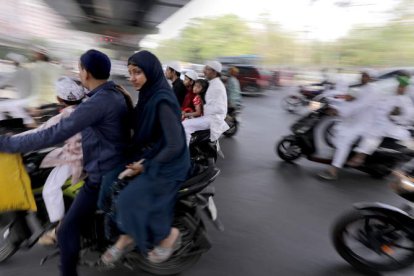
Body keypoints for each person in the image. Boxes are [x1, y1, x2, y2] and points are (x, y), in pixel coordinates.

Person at [0, 49, 132, 276]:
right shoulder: (109, 94)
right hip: (104, 164)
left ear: (86, 73)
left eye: (80, 68)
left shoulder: (96, 103)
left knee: (66, 228)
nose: (79, 72)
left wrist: (8, 144)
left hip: (100, 173)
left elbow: (52, 134)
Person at [100, 50, 191, 265]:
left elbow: (175, 145)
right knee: (107, 180)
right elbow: (138, 121)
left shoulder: (162, 100)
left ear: (150, 72)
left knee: (128, 198)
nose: (132, 78)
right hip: (148, 154)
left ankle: (164, 236)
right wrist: (124, 99)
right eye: (130, 73)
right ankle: (124, 231)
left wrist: (146, 166)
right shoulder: (148, 94)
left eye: (137, 72)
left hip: (168, 163)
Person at [15, 77, 85, 245]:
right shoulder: (88, 105)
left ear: (59, 99)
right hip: (83, 152)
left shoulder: (65, 117)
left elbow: (39, 133)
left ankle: (60, 228)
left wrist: (9, 141)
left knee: (50, 189)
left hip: (77, 158)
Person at [319, 70, 377, 180]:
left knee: (344, 140)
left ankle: (333, 170)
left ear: (371, 78)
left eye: (365, 76)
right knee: (336, 132)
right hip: (353, 120)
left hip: (364, 123)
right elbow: (348, 99)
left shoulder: (371, 91)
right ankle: (343, 157)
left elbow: (358, 106)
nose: (362, 77)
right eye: (362, 75)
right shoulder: (361, 87)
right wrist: (333, 105)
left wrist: (339, 111)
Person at [347, 74, 414, 166]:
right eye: (399, 86)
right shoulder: (389, 95)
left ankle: (360, 157)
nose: (400, 88)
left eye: (402, 87)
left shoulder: (405, 101)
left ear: (406, 88)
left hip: (395, 126)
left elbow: (407, 116)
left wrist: (395, 116)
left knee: (373, 134)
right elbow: (378, 105)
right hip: (380, 121)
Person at [182, 61, 229, 145]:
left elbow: (221, 108)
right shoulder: (211, 83)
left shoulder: (217, 87)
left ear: (214, 72)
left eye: (207, 69)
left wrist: (203, 109)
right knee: (185, 121)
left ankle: (184, 152)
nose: (204, 71)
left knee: (185, 125)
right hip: (207, 117)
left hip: (212, 119)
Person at [0, 53, 35, 126]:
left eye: (13, 61)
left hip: (24, 100)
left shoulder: (17, 73)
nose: (12, 63)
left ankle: (3, 128)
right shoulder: (28, 71)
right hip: (30, 98)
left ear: (16, 62)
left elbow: (3, 82)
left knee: (6, 106)